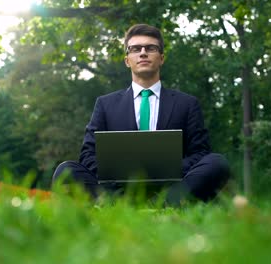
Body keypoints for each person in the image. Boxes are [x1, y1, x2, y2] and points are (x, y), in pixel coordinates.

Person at [52, 24, 230, 204]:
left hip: (172, 186)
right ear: (127, 60)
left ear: (161, 58)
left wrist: (163, 170)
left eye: (150, 48)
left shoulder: (187, 103)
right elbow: (88, 155)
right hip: (118, 187)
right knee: (66, 171)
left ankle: (160, 204)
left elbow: (200, 152)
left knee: (217, 163)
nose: (143, 53)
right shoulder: (105, 104)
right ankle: (126, 205)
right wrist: (121, 174)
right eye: (135, 49)